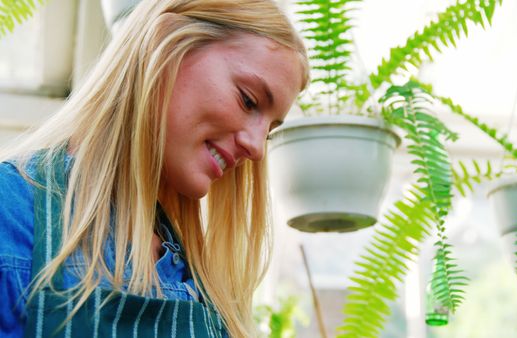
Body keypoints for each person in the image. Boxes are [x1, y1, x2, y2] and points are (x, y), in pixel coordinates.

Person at [0, 0, 309, 337]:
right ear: (166, 44)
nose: (257, 147)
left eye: (270, 129)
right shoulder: (10, 215)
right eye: (248, 100)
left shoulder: (199, 283)